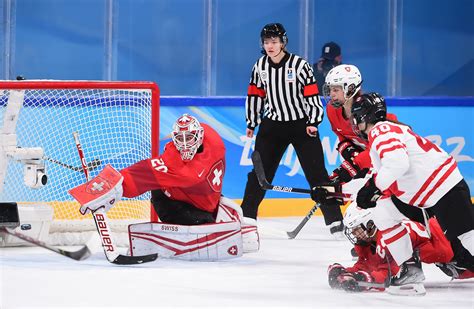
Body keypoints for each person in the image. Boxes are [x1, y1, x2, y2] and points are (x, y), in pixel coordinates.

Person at [70, 114, 259, 260]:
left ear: (200, 136)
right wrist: (113, 185)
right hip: (172, 201)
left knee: (221, 220)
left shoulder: (200, 161)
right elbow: (142, 172)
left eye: (190, 137)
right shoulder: (193, 151)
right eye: (180, 138)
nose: (184, 144)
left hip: (202, 198)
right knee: (202, 226)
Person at [350, 92, 474, 287]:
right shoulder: (388, 130)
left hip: (444, 189)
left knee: (469, 239)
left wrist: (374, 187)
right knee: (384, 212)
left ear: (365, 116)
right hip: (426, 197)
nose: (355, 124)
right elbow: (387, 171)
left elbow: (398, 163)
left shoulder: (379, 130)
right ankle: (410, 270)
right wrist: (368, 188)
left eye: (356, 118)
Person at [241, 22, 344, 236]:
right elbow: (255, 95)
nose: (270, 46)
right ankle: (246, 217)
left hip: (301, 125)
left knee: (317, 174)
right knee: (259, 174)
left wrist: (313, 122)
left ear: (283, 43)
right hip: (272, 126)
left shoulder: (299, 65)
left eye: (274, 41)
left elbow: (311, 96)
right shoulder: (260, 66)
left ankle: (335, 221)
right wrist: (252, 122)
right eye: (267, 42)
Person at [328, 203, 473, 295]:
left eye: (357, 229)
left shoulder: (389, 236)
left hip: (455, 245)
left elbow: (391, 273)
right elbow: (367, 264)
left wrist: (363, 278)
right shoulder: (372, 241)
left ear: (371, 224)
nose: (353, 233)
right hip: (447, 255)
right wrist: (345, 272)